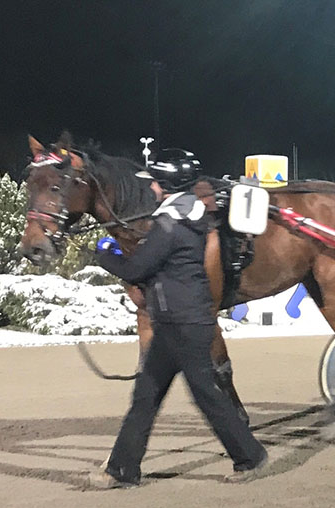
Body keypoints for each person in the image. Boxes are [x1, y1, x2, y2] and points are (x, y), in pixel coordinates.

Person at [88, 149, 269, 488]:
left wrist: (103, 256)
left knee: (207, 397)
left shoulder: (169, 226)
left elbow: (137, 268)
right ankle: (122, 469)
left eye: (155, 183)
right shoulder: (187, 217)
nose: (152, 189)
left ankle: (251, 457)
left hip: (184, 325)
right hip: (177, 323)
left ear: (167, 186)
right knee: (146, 396)